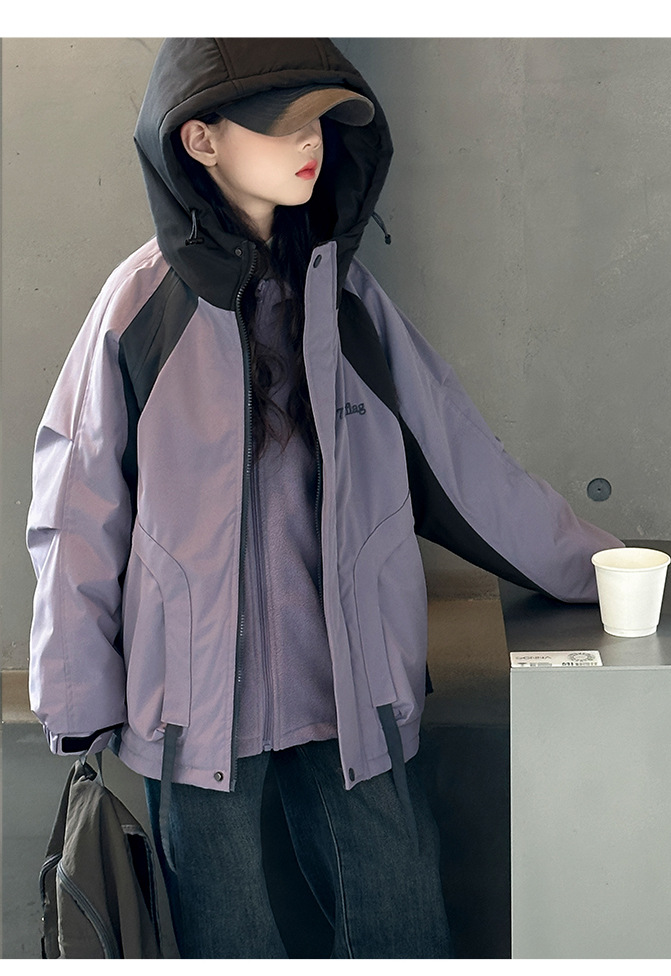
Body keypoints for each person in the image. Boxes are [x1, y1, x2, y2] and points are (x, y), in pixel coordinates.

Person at [26, 37, 623, 959]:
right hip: (190, 699)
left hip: (352, 680)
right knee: (227, 942)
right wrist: (76, 695)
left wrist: (601, 570)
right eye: (282, 123)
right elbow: (78, 511)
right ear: (200, 141)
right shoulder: (142, 305)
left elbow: (462, 461)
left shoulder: (345, 297)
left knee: (402, 926)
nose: (310, 142)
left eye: (321, 122)